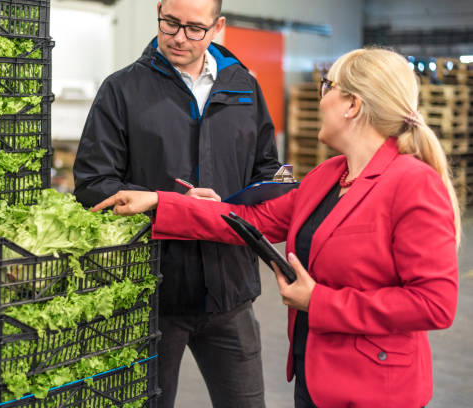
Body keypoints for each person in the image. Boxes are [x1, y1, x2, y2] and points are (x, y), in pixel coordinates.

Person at [91, 48, 460, 408]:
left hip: (374, 387)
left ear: (353, 105)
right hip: (314, 374)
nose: (321, 99)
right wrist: (161, 202)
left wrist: (319, 302)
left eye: (326, 87)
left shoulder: (412, 183)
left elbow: (434, 304)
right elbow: (250, 222)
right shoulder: (327, 176)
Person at [73, 0, 281, 406]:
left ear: (217, 26)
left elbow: (266, 169)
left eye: (194, 28)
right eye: (170, 23)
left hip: (230, 292)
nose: (179, 37)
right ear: (158, 12)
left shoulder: (244, 87)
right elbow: (93, 185)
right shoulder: (123, 89)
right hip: (152, 293)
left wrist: (254, 195)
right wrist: (171, 204)